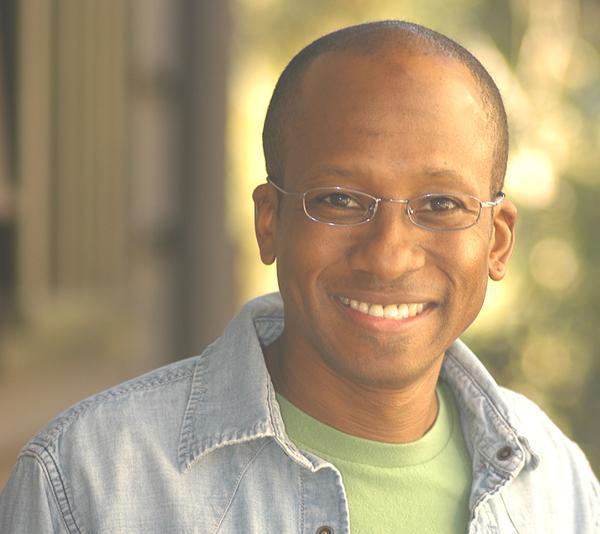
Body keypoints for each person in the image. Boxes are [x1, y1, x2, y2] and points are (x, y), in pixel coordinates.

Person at [1, 20, 598, 533]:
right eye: (339, 199)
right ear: (270, 222)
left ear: (497, 241)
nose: (389, 257)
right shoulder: (87, 482)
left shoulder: (555, 485)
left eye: (441, 204)